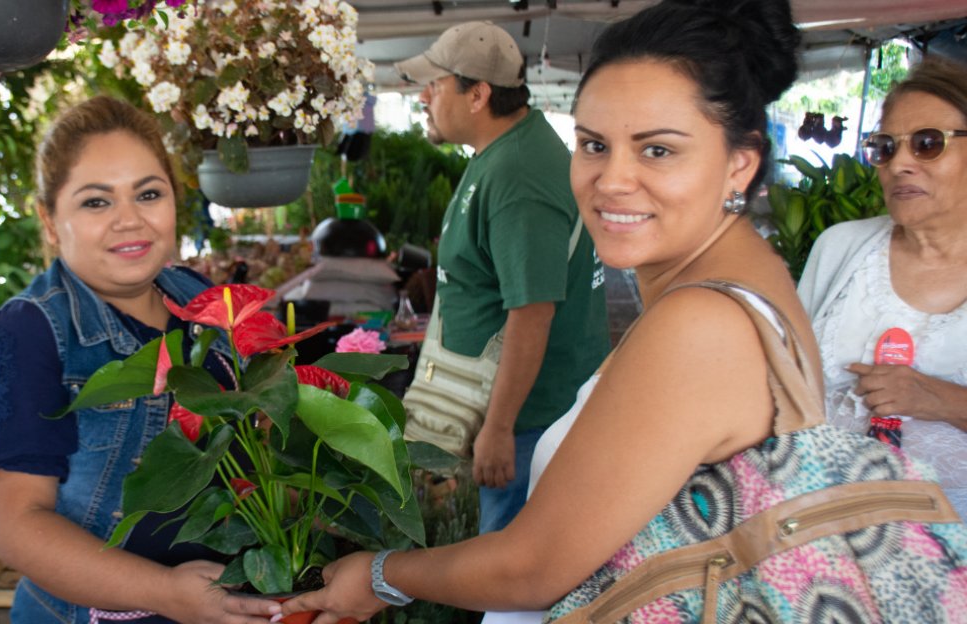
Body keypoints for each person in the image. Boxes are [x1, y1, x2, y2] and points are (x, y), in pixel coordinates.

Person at [281, 1, 966, 622]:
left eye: (658, 150)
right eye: (593, 144)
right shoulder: (742, 274)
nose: (611, 180)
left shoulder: (701, 322)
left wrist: (381, 576)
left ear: (740, 164)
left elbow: (533, 568)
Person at [0, 96, 280, 624]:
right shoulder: (25, 334)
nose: (130, 220)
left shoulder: (198, 298)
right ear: (50, 221)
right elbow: (14, 527)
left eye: (148, 194)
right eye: (96, 202)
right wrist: (167, 592)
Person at [394, 21, 610, 533]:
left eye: (435, 85)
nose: (424, 97)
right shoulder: (503, 155)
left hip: (533, 423)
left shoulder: (519, 175)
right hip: (521, 416)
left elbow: (533, 312)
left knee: (515, 563)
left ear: (478, 95)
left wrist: (499, 427)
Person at [798, 57, 967, 517]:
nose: (900, 164)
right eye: (885, 148)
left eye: (928, 144)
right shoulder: (841, 248)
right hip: (819, 521)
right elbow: (786, 377)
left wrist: (945, 401)